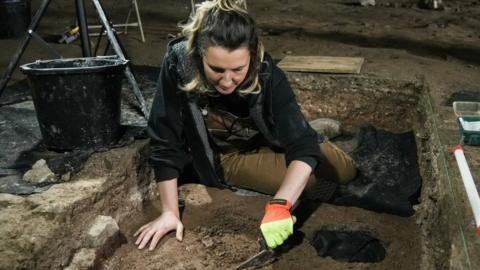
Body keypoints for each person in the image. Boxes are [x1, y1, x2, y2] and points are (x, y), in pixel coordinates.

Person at [134, 0, 357, 251]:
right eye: (216, 69)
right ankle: (298, 136)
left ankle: (305, 129)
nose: (227, 81)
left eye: (238, 69)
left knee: (345, 170)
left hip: (264, 136)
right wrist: (169, 212)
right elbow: (165, 140)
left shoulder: (266, 69)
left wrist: (279, 205)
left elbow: (303, 145)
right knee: (313, 182)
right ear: (198, 54)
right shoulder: (179, 63)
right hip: (228, 155)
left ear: (251, 55)